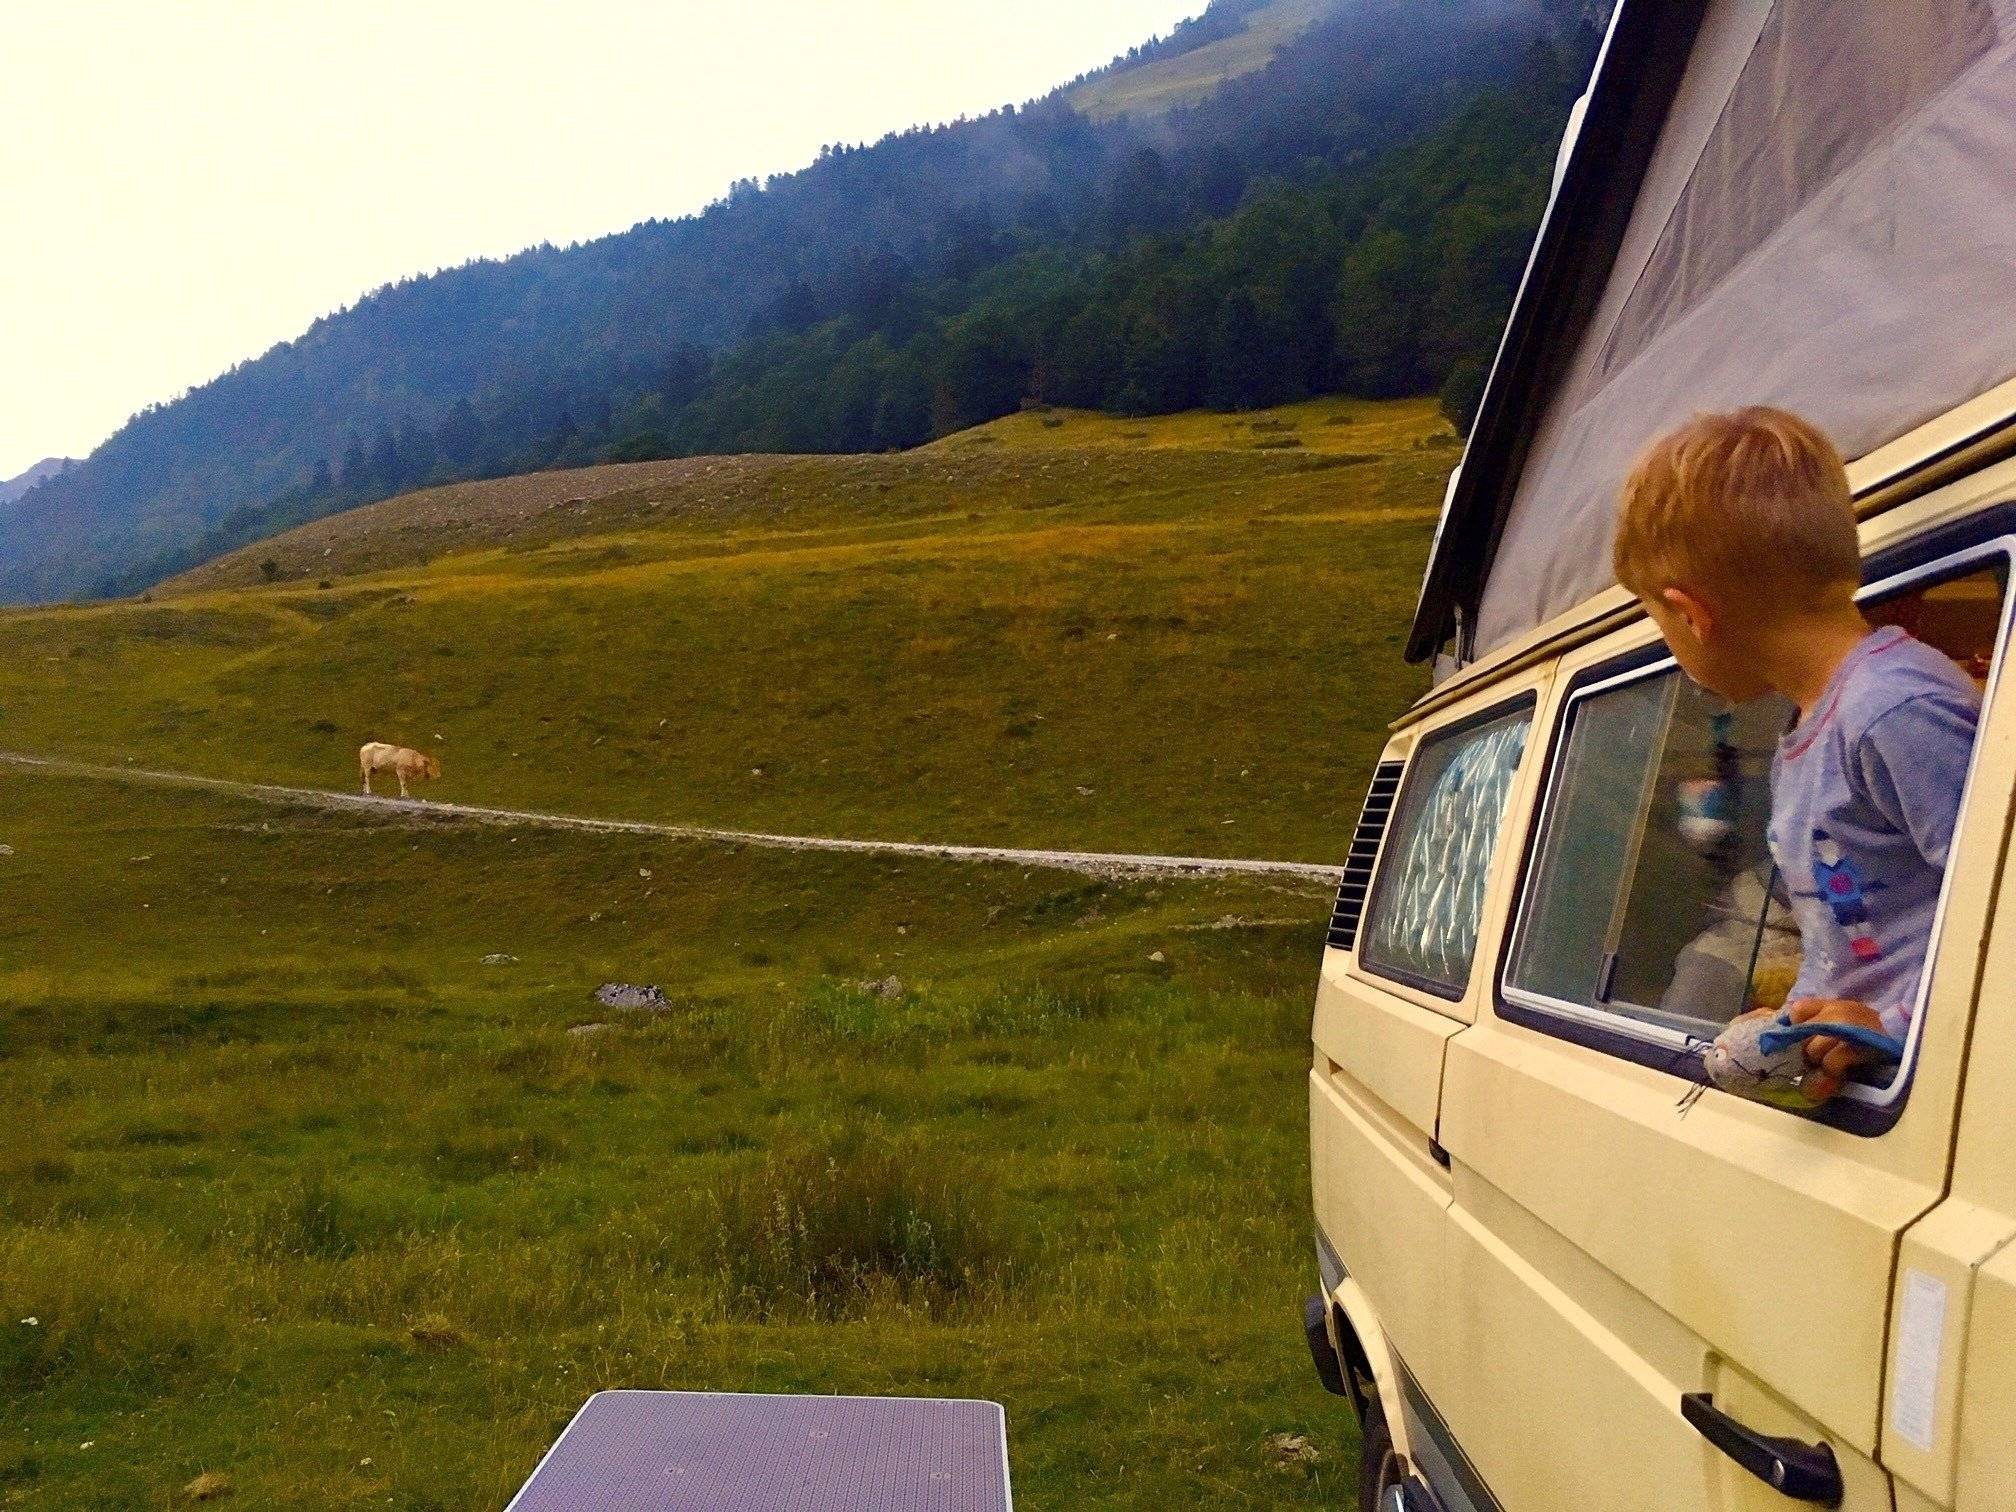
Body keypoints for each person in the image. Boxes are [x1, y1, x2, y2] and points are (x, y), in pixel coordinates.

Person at [1614, 407, 1981, 1101]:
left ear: (1691, 613)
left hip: (1936, 1084)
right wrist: (1798, 1018)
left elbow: (1998, 908)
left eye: (1657, 621)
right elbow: (1847, 933)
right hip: (1873, 1081)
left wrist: (1894, 1028)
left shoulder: (1891, 712)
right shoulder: (1809, 735)